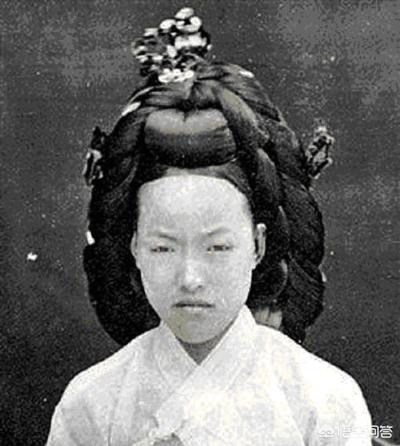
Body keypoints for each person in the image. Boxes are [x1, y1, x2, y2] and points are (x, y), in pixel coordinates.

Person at [46, 7, 372, 445]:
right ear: (135, 247)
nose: (190, 278)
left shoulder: (325, 400)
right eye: (163, 247)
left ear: (257, 245)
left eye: (217, 247)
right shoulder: (90, 403)